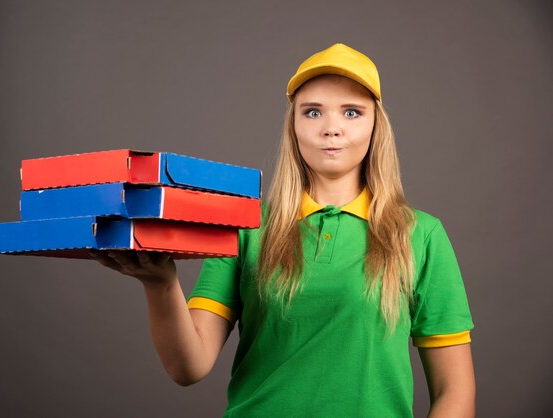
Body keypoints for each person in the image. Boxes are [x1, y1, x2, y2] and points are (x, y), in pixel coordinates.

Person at [90, 43, 475, 417]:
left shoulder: (420, 235)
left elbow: (455, 393)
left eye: (352, 113)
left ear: (377, 126)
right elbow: (188, 367)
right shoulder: (245, 226)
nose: (332, 129)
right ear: (293, 126)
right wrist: (160, 285)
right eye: (312, 112)